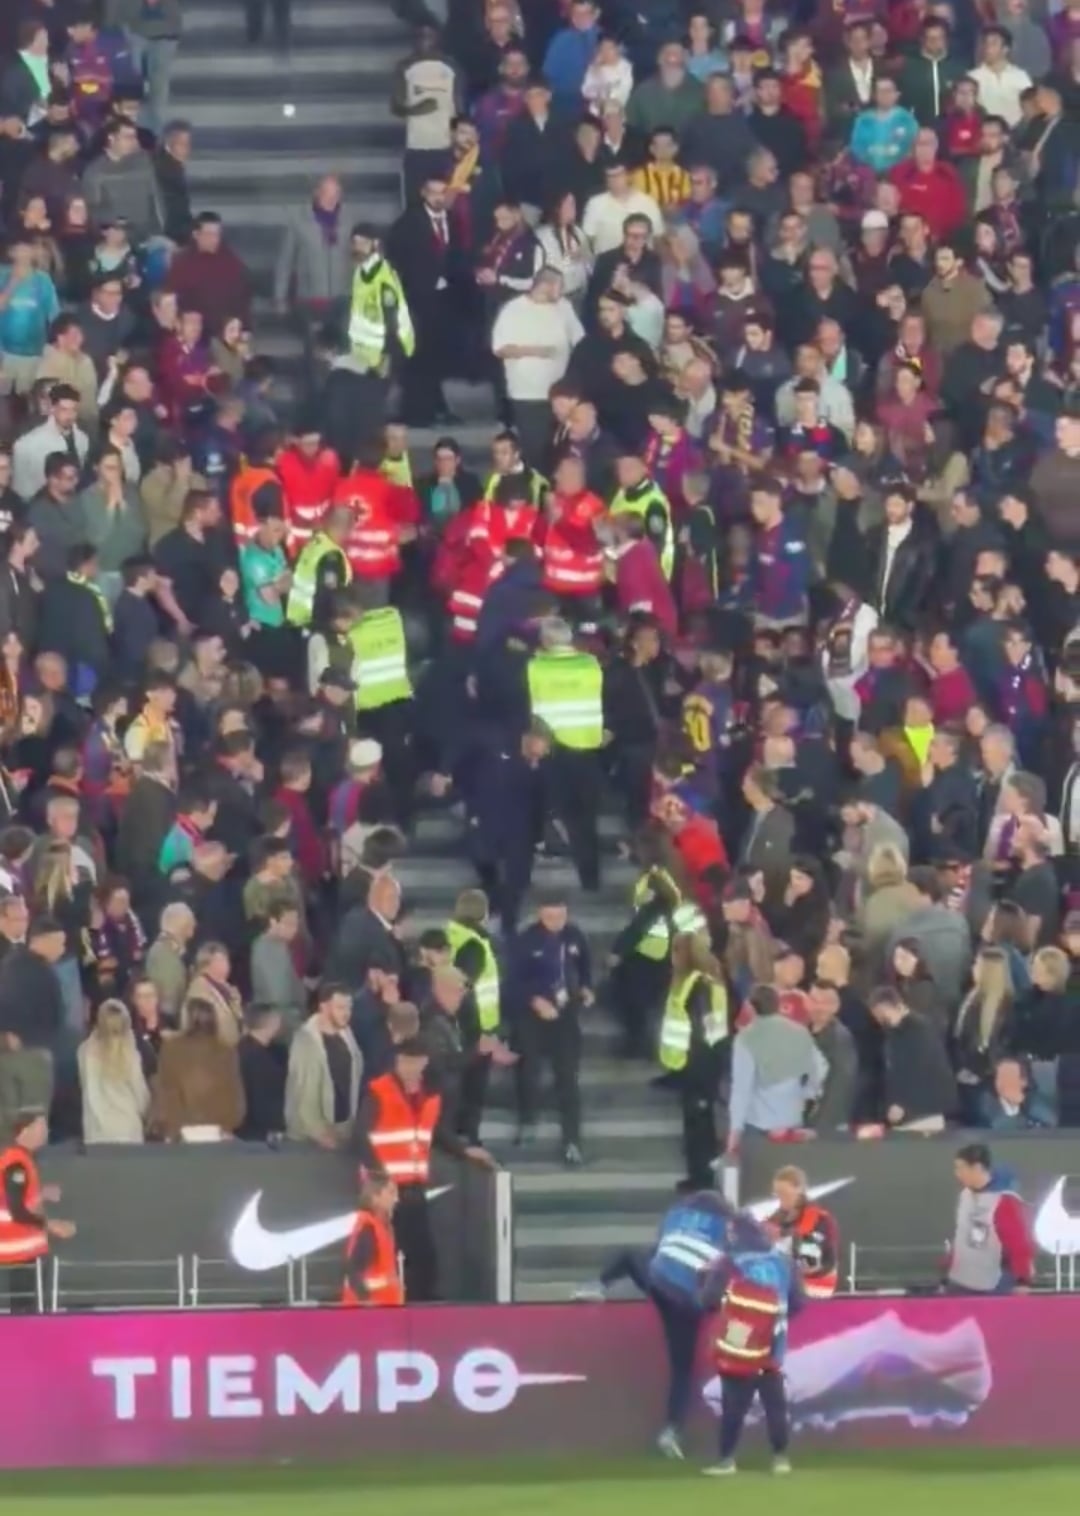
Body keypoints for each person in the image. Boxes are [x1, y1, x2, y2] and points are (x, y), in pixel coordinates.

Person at [585, 1190, 742, 1460]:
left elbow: (658, 1250)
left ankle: (597, 1285)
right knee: (682, 1371)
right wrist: (715, 1304)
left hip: (661, 1283)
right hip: (691, 1301)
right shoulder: (728, 1225)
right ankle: (671, 1431)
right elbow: (729, 1266)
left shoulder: (676, 1215)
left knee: (629, 1256)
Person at [352, 1038, 494, 1301]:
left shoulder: (430, 1096)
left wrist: (464, 1151)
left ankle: (420, 1308)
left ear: (423, 1062)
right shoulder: (379, 1091)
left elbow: (436, 1132)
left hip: (414, 1186)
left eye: (414, 1062)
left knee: (422, 1257)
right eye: (403, 1061)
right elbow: (361, 1137)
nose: (408, 1067)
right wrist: (380, 1180)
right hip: (385, 1192)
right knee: (386, 1255)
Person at [704, 1214, 800, 1476]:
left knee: (733, 1399)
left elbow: (709, 1298)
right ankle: (780, 1458)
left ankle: (726, 1459)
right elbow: (798, 1301)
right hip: (773, 1337)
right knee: (774, 1401)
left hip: (739, 1334)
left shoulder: (730, 1261)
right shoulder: (784, 1261)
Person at [512, 890, 591, 1165]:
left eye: (560, 916)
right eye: (549, 916)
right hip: (532, 1016)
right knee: (528, 1068)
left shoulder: (575, 936)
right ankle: (527, 1119)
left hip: (565, 1015)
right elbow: (513, 982)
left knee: (568, 1076)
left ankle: (572, 1141)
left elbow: (584, 968)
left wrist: (585, 989)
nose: (555, 921)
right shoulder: (525, 941)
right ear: (539, 914)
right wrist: (535, 1000)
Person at [658, 931, 729, 1189]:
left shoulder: (696, 986)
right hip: (702, 1065)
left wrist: (694, 1072)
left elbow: (699, 1031)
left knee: (699, 1128)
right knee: (701, 1125)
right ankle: (700, 1175)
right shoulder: (709, 981)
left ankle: (701, 1178)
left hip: (699, 1067)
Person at [0, 1108, 75, 1313]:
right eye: (40, 1127)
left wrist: (42, 1194)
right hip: (18, 1251)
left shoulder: (20, 1160)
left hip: (24, 1251)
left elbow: (18, 1199)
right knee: (24, 1312)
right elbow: (17, 1210)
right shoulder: (16, 1163)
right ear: (24, 1131)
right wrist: (52, 1226)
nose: (46, 1131)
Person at [945, 1141, 1034, 1293]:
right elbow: (961, 1236)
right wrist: (948, 1269)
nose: (957, 1173)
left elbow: (1018, 1243)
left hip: (991, 1284)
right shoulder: (964, 1196)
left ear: (977, 1168)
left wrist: (1022, 1280)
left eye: (961, 1168)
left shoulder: (1004, 1201)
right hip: (959, 1280)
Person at [77, 998, 150, 1144]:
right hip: (128, 1131)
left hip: (96, 1132)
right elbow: (141, 1095)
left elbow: (84, 1086)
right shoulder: (130, 1053)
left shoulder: (84, 1052)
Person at [765, 1163, 839, 1298]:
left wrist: (813, 1270)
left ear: (799, 1190)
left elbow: (830, 1261)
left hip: (816, 1288)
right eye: (777, 1194)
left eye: (784, 1194)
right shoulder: (772, 1221)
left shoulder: (821, 1219)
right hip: (782, 1289)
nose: (781, 1200)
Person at [341, 1170, 404, 1306]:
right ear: (375, 1197)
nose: (396, 1198)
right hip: (368, 1316)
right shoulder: (368, 1228)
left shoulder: (381, 1227)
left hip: (383, 1311)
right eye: (391, 1192)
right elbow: (353, 1271)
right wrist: (367, 1302)